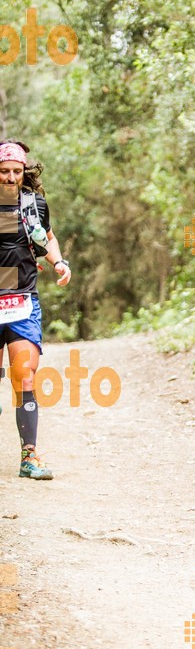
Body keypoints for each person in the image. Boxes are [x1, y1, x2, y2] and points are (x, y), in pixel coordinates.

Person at [0, 140, 71, 480]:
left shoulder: (35, 205)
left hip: (22, 300)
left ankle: (29, 456)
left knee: (24, 377)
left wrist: (59, 262)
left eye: (16, 171)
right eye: (4, 172)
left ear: (23, 172)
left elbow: (49, 238)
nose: (10, 177)